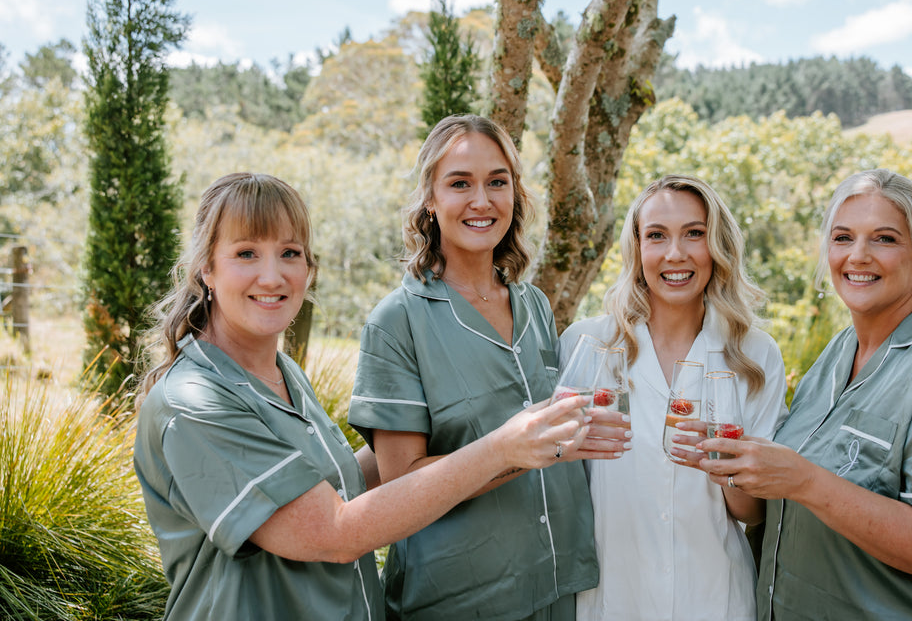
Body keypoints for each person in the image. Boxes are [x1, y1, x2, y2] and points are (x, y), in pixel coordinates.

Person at [133, 172, 592, 621]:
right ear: (206, 269)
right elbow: (333, 532)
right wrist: (501, 448)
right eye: (246, 253)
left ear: (308, 269)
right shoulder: (194, 403)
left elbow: (338, 482)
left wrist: (424, 434)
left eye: (289, 253)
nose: (272, 276)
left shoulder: (281, 374)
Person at [688, 169, 912, 620]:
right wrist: (732, 467)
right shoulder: (838, 353)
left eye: (883, 239)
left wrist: (805, 481)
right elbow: (787, 504)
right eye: (843, 238)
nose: (858, 256)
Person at [348, 115, 623, 621]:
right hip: (460, 600)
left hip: (562, 588)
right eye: (460, 183)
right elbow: (398, 483)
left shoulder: (535, 306)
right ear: (430, 199)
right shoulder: (398, 321)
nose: (482, 200)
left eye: (498, 182)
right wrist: (525, 451)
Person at [561, 174, 789, 621]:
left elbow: (756, 513)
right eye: (657, 236)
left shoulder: (754, 355)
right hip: (612, 600)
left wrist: (723, 464)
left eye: (694, 234)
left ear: (717, 245)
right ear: (637, 249)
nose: (675, 254)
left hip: (715, 600)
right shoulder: (587, 346)